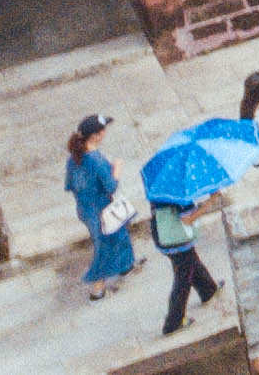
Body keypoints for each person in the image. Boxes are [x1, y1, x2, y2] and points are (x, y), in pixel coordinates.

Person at [66, 117, 135, 301]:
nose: (105, 132)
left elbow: (70, 185)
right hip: (102, 211)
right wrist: (116, 169)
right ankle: (97, 288)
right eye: (103, 130)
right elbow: (111, 187)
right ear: (96, 136)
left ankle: (126, 264)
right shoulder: (95, 159)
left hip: (85, 210)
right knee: (105, 246)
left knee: (120, 234)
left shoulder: (73, 159)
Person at [149, 194, 221, 336]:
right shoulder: (179, 192)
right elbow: (187, 219)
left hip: (161, 233)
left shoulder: (158, 188)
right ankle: (173, 323)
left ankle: (208, 290)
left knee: (190, 262)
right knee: (183, 277)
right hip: (177, 238)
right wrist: (209, 203)